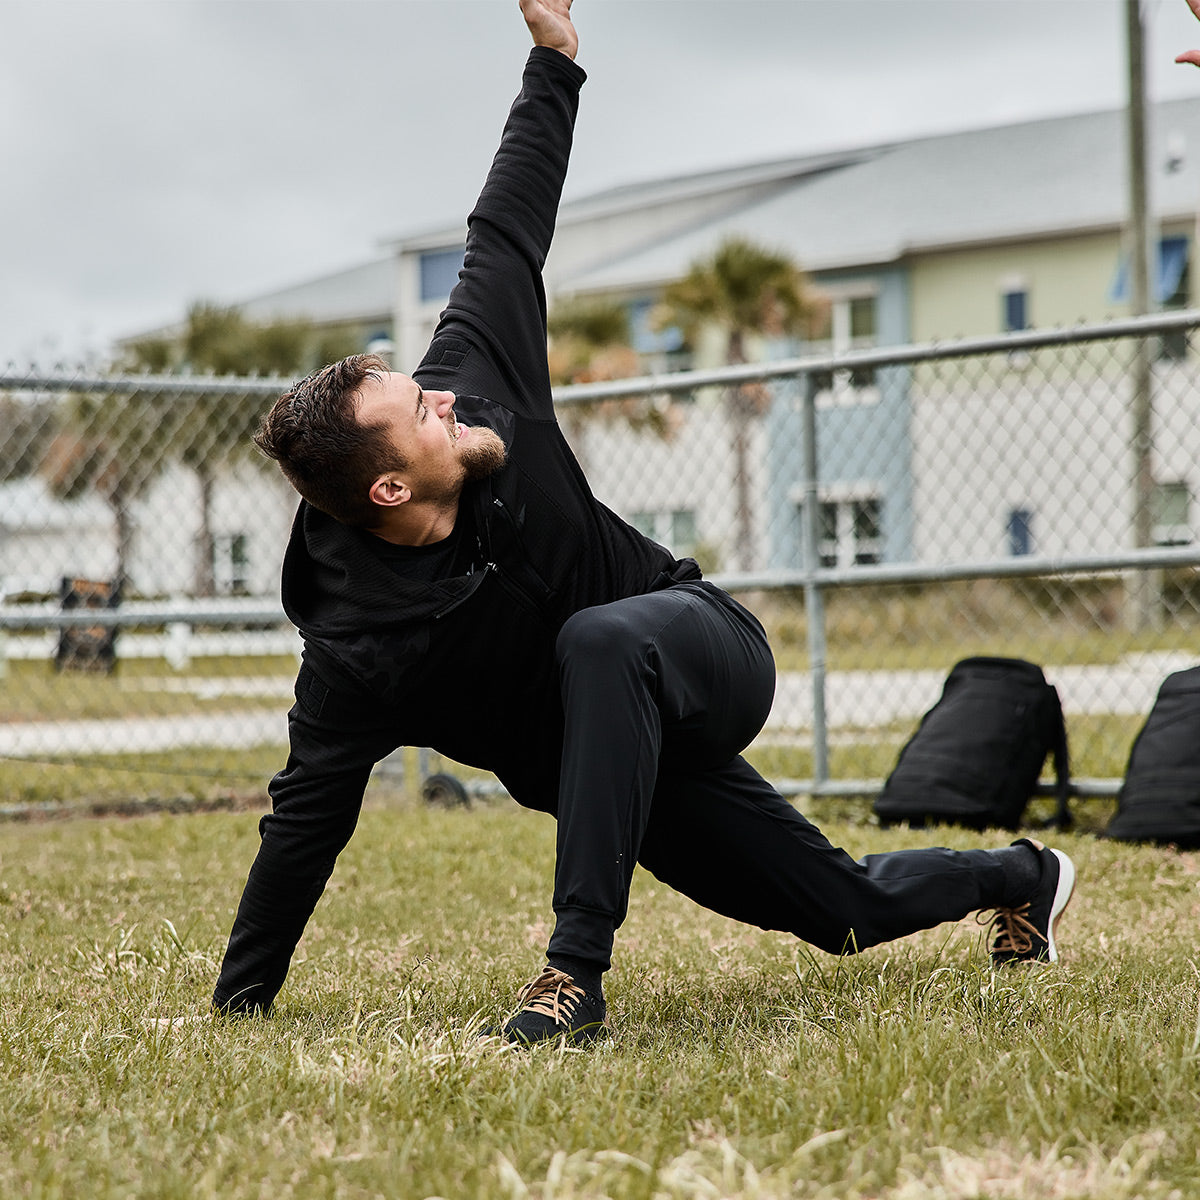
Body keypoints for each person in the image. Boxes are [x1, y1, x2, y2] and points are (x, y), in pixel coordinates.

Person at [213, 0, 1076, 1046]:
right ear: (388, 490)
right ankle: (1027, 876)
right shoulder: (357, 650)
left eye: (426, 386)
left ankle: (572, 981)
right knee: (841, 913)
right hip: (612, 764)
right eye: (419, 414)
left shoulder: (475, 379)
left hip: (697, 646)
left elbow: (507, 227)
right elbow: (306, 817)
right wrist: (239, 1003)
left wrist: (553, 60)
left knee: (602, 634)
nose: (444, 399)